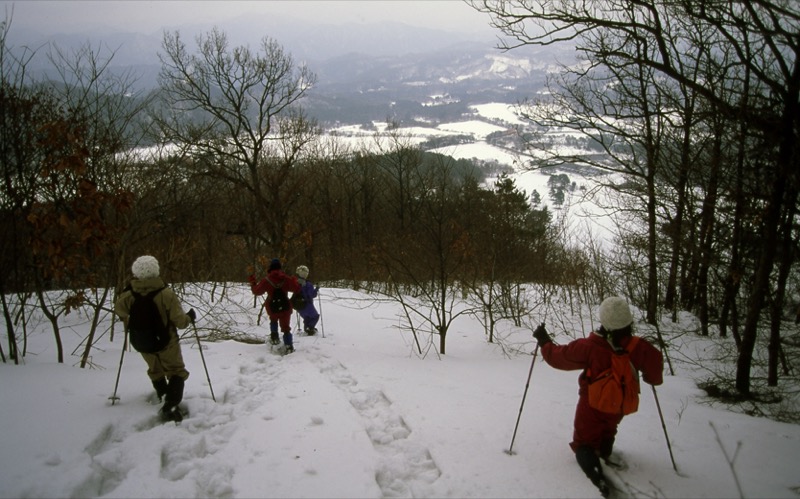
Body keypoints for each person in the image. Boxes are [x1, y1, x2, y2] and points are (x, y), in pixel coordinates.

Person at [532, 296, 663, 497]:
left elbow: (559, 357)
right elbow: (654, 370)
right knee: (608, 430)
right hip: (619, 406)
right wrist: (650, 378)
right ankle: (604, 450)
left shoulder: (591, 347)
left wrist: (544, 341)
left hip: (592, 405)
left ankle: (597, 477)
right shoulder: (639, 347)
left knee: (584, 442)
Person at [114, 255, 196, 422]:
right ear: (156, 271)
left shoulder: (128, 294)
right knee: (176, 371)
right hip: (167, 342)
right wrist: (189, 317)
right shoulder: (166, 294)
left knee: (155, 370)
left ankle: (165, 396)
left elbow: (120, 312)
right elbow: (180, 322)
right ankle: (170, 405)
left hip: (142, 341)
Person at [249, 258, 301, 352]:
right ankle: (289, 346)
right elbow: (296, 289)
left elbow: (257, 291)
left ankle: (274, 337)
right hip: (285, 307)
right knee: (286, 328)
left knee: (273, 320)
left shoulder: (266, 280)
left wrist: (253, 283)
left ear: (271, 268)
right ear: (280, 267)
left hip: (272, 307)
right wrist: (294, 280)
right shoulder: (286, 279)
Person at [295, 265, 320, 335]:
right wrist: (317, 289)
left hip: (298, 305)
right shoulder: (308, 284)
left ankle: (307, 328)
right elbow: (311, 295)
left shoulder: (296, 282)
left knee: (307, 317)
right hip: (307, 304)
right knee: (315, 316)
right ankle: (310, 328)